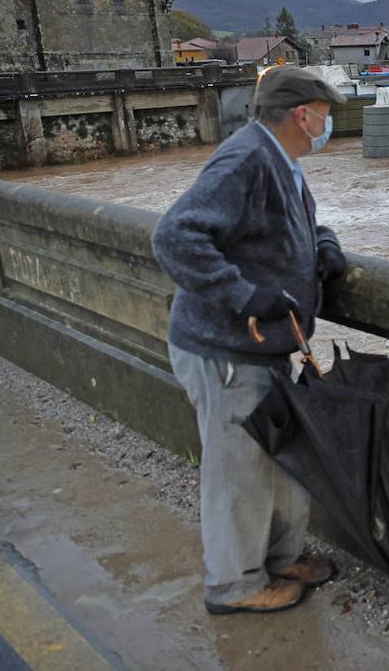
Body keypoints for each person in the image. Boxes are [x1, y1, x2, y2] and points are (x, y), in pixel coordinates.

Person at [152, 65, 349, 615]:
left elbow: (296, 228)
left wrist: (324, 247)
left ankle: (280, 558)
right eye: (325, 115)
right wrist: (243, 296)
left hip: (259, 351)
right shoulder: (245, 159)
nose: (328, 125)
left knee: (278, 463)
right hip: (224, 352)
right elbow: (174, 236)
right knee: (239, 471)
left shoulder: (281, 161)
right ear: (301, 115)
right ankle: (234, 586)